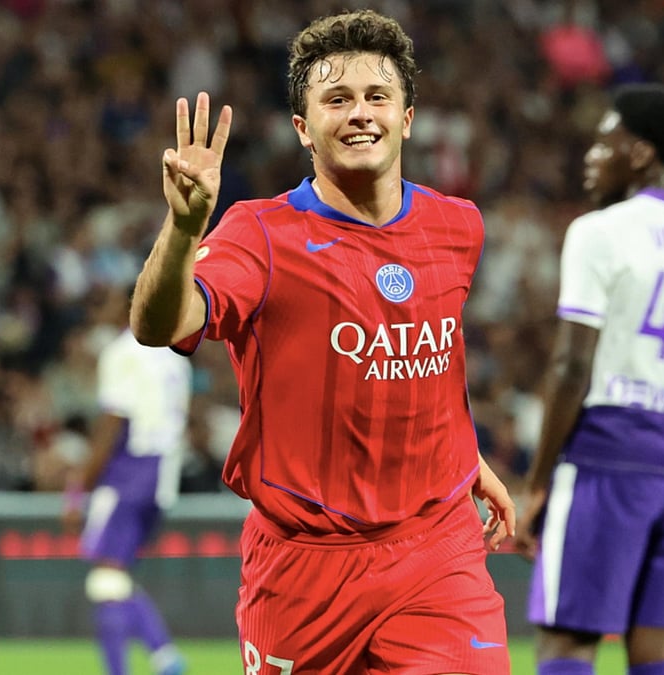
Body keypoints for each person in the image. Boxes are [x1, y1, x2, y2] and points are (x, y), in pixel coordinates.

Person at [130, 9, 515, 674]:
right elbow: (159, 325)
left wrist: (464, 455)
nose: (360, 113)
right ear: (304, 128)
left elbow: (430, 359)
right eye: (337, 99)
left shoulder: (457, 227)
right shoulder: (261, 233)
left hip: (436, 550)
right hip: (302, 566)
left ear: (408, 116)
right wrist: (185, 229)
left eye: (377, 97)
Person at [516, 84, 664, 675]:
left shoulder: (600, 232)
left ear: (641, 153)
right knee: (655, 653)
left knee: (568, 640)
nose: (592, 157)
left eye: (605, 143)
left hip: (608, 449)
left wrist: (538, 482)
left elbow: (571, 366)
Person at [62, 291, 192, 675]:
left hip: (129, 471)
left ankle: (126, 667)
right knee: (116, 575)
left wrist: (76, 491)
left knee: (105, 578)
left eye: (102, 303)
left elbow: (112, 425)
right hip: (163, 477)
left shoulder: (123, 351)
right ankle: (163, 654)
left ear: (126, 308)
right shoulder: (173, 355)